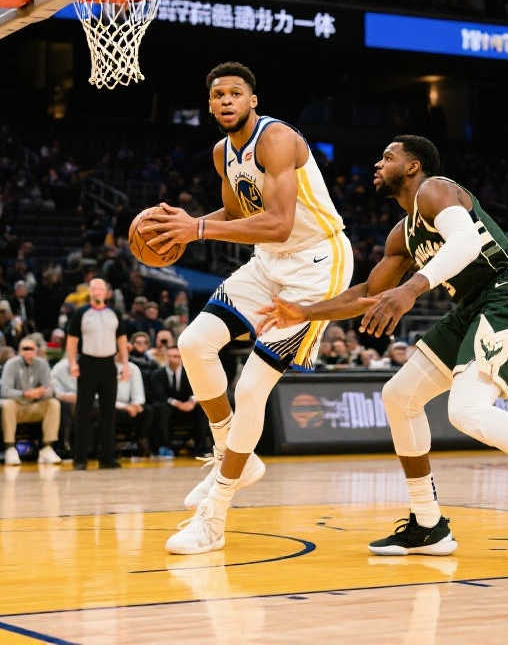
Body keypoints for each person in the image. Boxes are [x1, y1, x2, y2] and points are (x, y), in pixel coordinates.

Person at [261, 136, 508, 568]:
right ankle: (428, 524)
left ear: (413, 165)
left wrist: (411, 289)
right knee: (398, 396)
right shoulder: (402, 234)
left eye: (388, 157)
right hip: (472, 306)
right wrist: (304, 312)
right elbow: (368, 292)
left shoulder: (435, 189)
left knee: (468, 411)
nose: (378, 163)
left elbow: (466, 244)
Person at [142, 62, 353, 554]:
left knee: (252, 387)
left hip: (316, 265)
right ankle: (231, 453)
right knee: (194, 343)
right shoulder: (223, 153)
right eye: (218, 95)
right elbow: (239, 213)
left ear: (252, 100)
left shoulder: (276, 139)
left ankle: (214, 518)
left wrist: (197, 229)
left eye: (235, 93)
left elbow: (279, 223)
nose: (226, 101)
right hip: (269, 262)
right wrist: (190, 225)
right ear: (210, 105)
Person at [66, 278, 130, 470]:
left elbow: (122, 340)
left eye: (101, 288)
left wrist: (125, 364)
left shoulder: (115, 313)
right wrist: (72, 363)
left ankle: (107, 458)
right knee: (83, 412)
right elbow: (71, 340)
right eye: (94, 288)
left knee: (108, 413)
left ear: (106, 292)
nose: (97, 291)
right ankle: (80, 459)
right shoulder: (81, 313)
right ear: (90, 291)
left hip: (109, 365)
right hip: (87, 364)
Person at [0, 337, 61, 465]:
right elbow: (4, 391)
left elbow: (50, 390)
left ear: (36, 351)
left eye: (31, 349)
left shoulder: (42, 364)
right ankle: (10, 448)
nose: (28, 352)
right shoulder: (11, 364)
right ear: (19, 351)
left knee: (54, 403)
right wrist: (24, 394)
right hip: (17, 407)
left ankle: (47, 448)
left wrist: (39, 393)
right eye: (25, 349)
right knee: (7, 404)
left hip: (35, 406)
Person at [149, 344, 209, 457]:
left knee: (202, 408)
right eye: (171, 356)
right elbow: (159, 394)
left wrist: (192, 402)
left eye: (177, 356)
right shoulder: (157, 374)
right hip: (169, 406)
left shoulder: (190, 372)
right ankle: (166, 447)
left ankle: (201, 447)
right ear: (166, 357)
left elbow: (198, 389)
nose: (174, 359)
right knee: (161, 408)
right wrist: (178, 404)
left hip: (188, 406)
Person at [114, 354, 153, 459]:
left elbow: (139, 393)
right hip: (112, 406)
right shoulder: (105, 367)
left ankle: (142, 442)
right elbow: (101, 397)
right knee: (106, 411)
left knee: (148, 411)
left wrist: (136, 405)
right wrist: (124, 407)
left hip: (130, 406)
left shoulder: (133, 368)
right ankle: (111, 446)